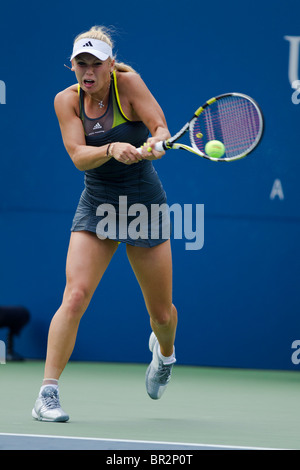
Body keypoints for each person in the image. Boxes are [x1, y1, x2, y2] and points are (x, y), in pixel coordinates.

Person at [32, 26, 178, 422]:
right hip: (98, 202)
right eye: (82, 63)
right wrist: (112, 148)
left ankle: (164, 356)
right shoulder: (67, 100)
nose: (88, 70)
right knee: (75, 295)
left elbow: (159, 126)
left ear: (111, 65)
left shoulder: (129, 84)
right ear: (73, 65)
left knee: (162, 315)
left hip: (143, 203)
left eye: (96, 63)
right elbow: (79, 155)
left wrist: (157, 143)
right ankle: (47, 393)